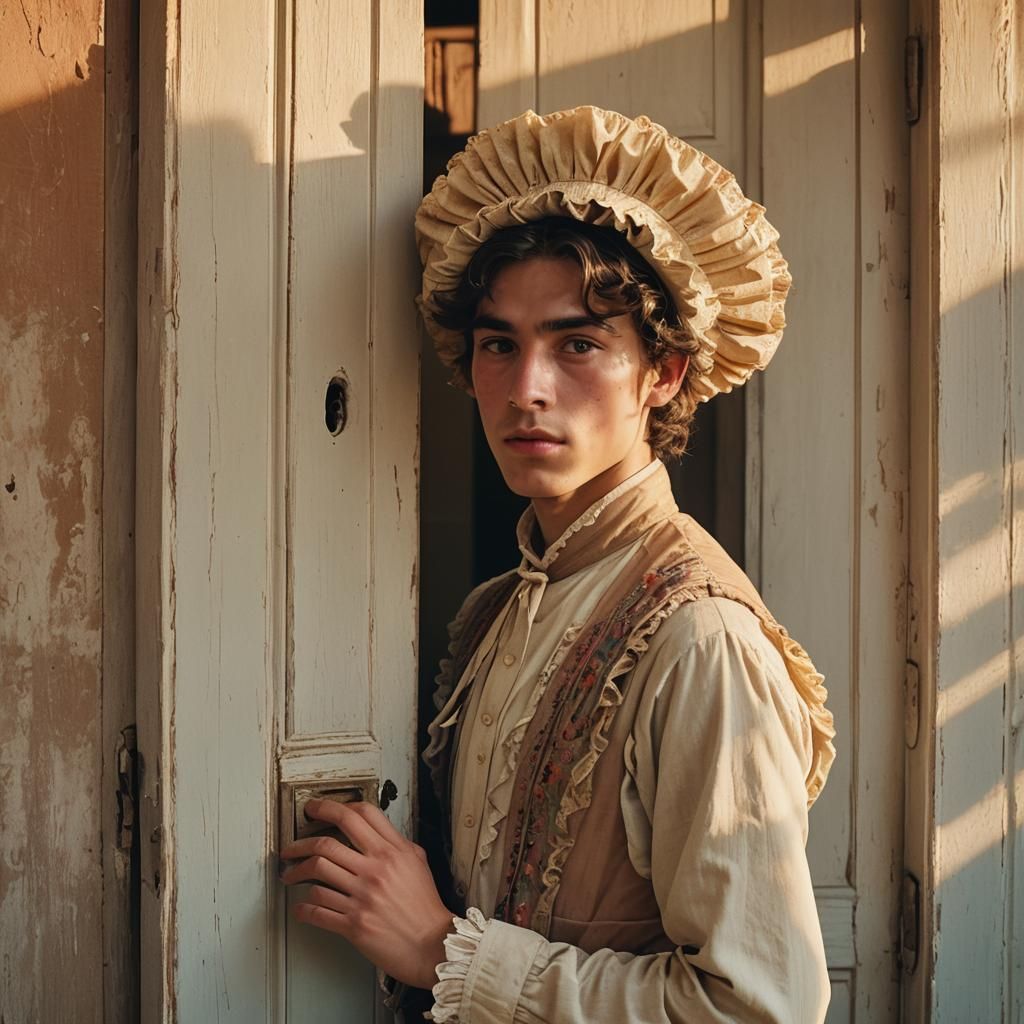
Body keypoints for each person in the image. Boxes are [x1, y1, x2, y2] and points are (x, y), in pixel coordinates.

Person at [280, 105, 836, 1023]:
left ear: (663, 372)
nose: (526, 387)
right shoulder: (497, 609)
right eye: (500, 343)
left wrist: (442, 951)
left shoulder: (701, 642)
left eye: (578, 343)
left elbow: (760, 1006)